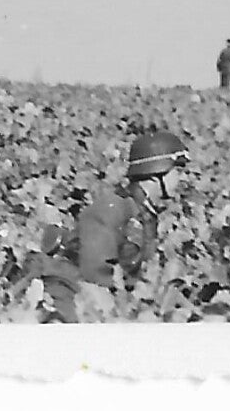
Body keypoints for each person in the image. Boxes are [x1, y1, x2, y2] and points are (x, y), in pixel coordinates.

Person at [17, 130, 189, 323]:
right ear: (157, 170)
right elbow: (96, 274)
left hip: (100, 299)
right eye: (178, 171)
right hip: (68, 295)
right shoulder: (113, 208)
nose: (182, 179)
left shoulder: (145, 213)